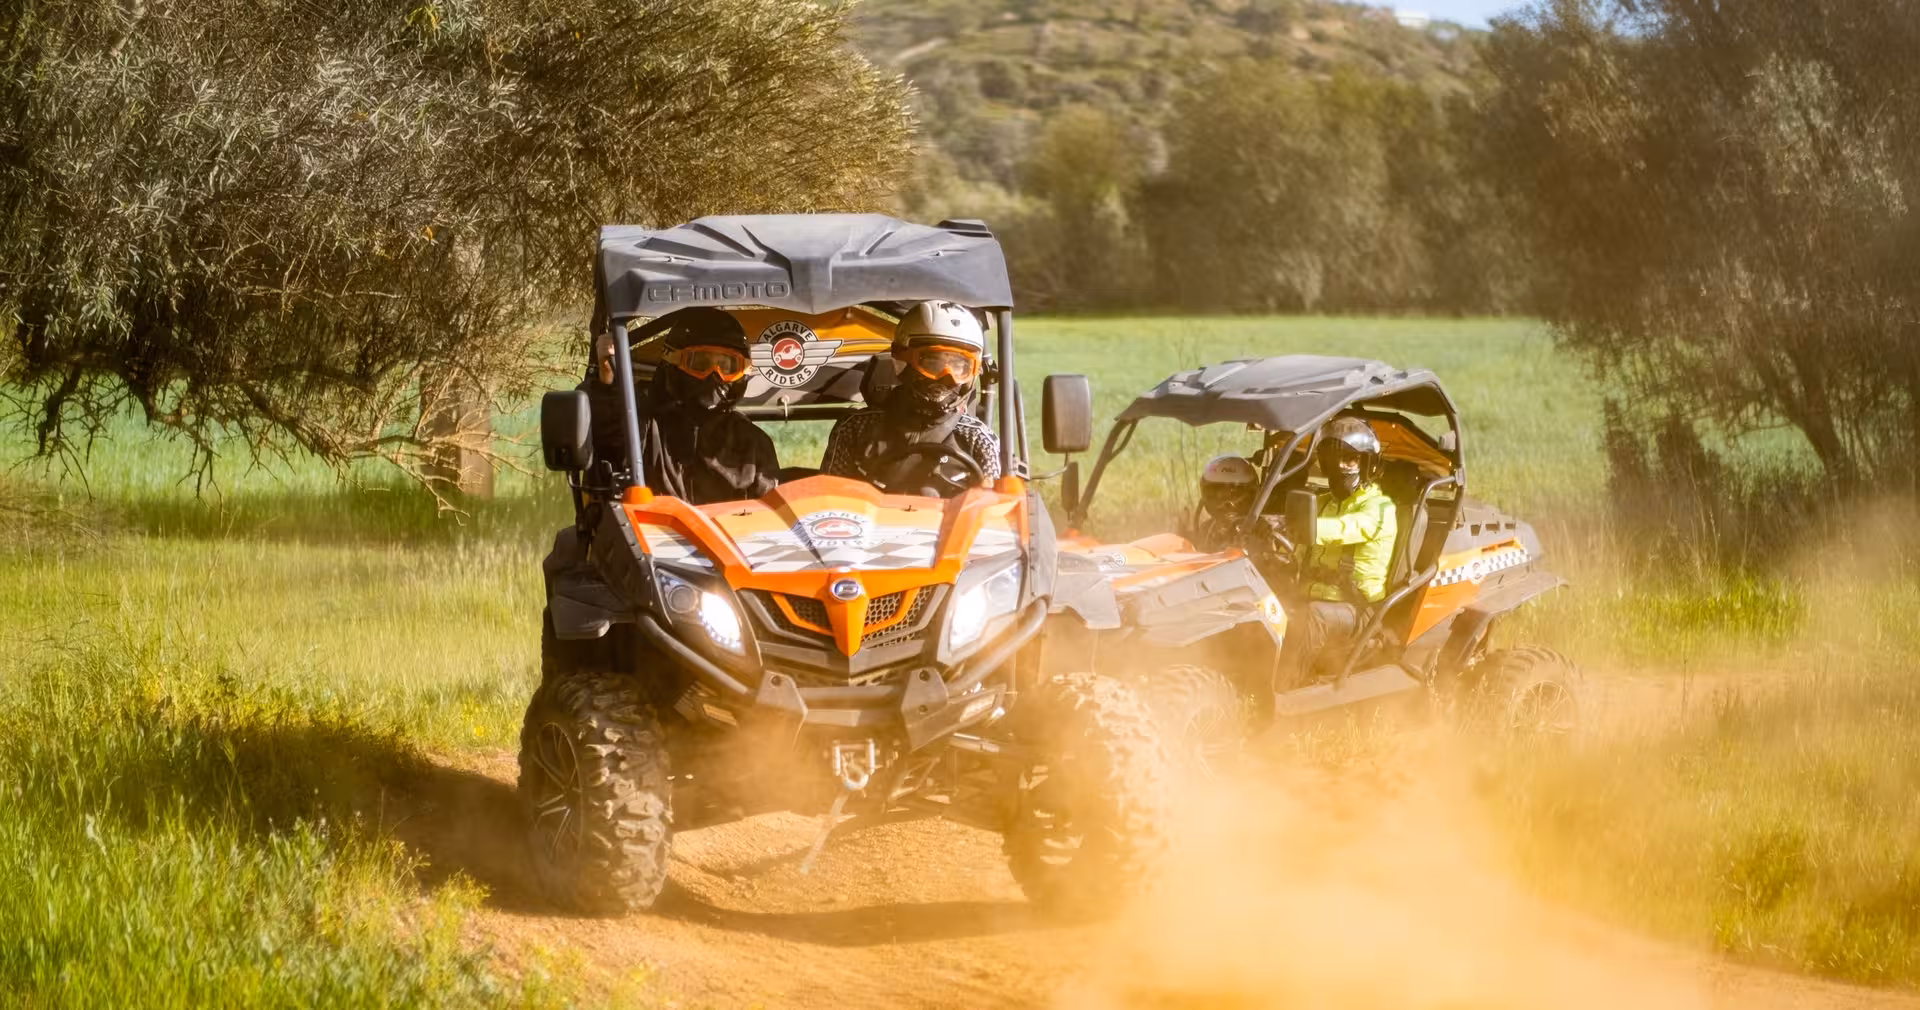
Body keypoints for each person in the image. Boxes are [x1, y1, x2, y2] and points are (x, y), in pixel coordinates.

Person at [583, 307, 780, 504]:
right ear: (673, 363)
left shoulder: (754, 443)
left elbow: (771, 517)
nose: (714, 375)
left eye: (726, 366)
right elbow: (606, 433)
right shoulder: (642, 426)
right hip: (651, 531)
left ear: (741, 373)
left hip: (733, 533)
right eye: (700, 363)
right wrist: (607, 377)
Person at [820, 300, 1001, 496]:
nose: (945, 376)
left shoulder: (978, 438)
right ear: (901, 359)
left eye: (959, 366)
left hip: (949, 526)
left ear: (974, 371)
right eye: (932, 361)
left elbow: (994, 511)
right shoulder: (856, 428)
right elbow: (828, 500)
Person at [1278, 416, 1398, 684]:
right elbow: (1294, 549)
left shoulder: (1380, 509)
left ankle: (1287, 690)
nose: (1339, 468)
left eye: (1349, 460)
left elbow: (1346, 528)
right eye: (1332, 460)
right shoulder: (1321, 503)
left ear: (1368, 464)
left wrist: (1300, 527)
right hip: (1310, 596)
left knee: (1313, 617)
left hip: (1356, 607)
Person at [1190, 454, 1260, 552]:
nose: (1227, 504)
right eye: (1219, 495)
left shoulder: (1264, 530)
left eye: (1235, 495)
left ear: (1252, 494)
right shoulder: (1206, 530)